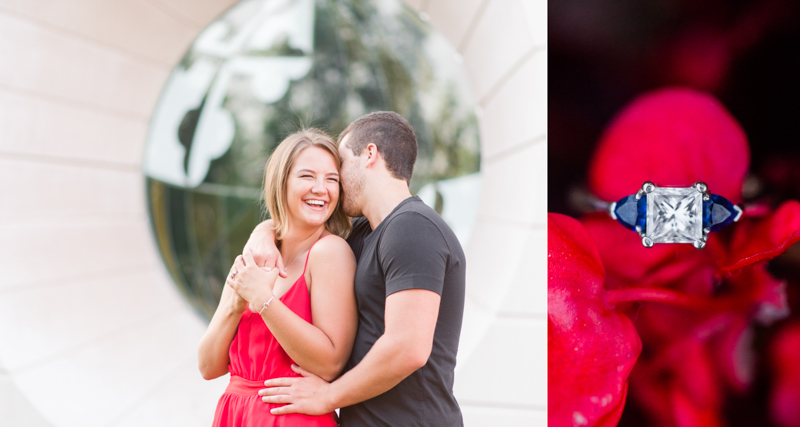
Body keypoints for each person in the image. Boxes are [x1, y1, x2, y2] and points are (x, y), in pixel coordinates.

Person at [244, 111, 466, 426]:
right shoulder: (365, 231)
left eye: (340, 166)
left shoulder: (414, 227)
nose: (331, 181)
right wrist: (264, 233)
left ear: (369, 154)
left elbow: (408, 347)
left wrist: (326, 397)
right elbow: (300, 226)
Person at [197, 129, 358, 427]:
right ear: (280, 183)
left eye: (331, 179)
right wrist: (235, 303)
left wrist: (263, 299)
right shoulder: (256, 253)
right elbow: (208, 366)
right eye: (307, 176)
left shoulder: (330, 253)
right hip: (236, 415)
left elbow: (331, 362)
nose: (321, 189)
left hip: (291, 418)